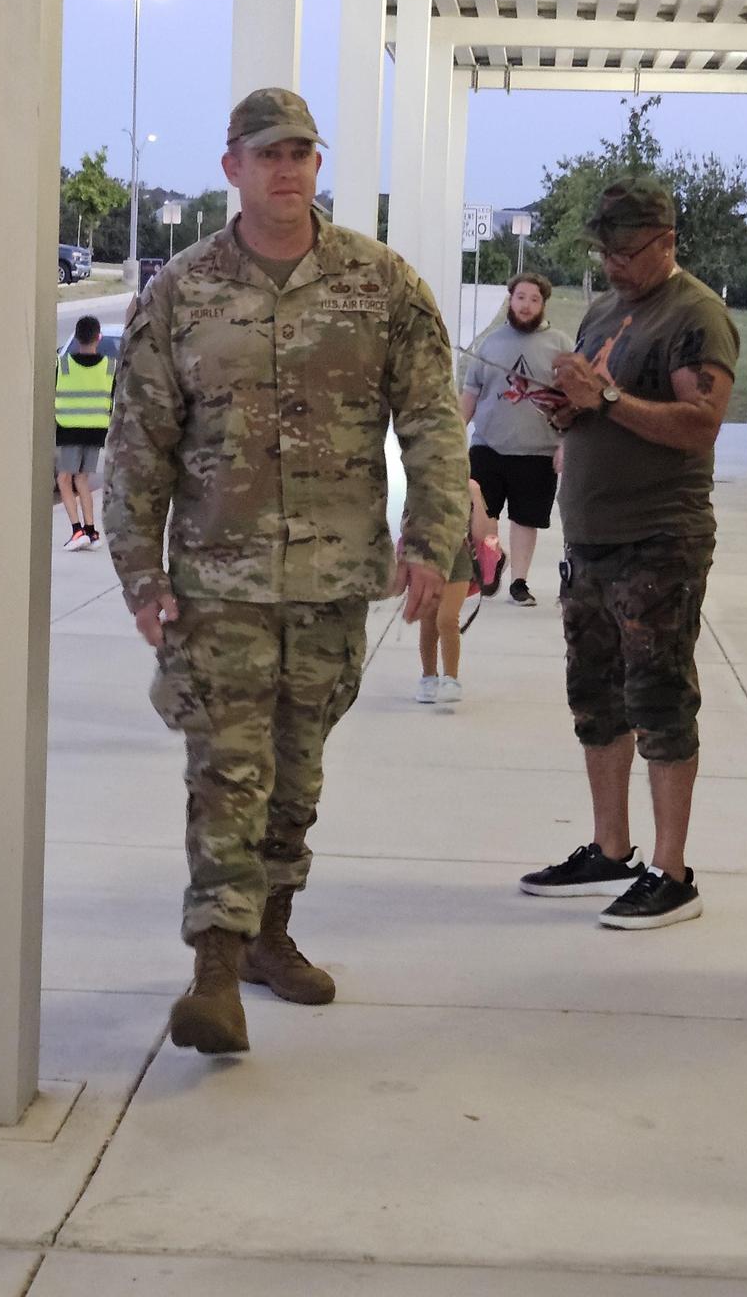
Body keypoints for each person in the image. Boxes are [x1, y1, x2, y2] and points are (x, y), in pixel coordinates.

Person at [104, 88, 469, 1055]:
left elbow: (432, 418)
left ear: (318, 164)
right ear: (232, 167)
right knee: (227, 770)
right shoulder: (179, 294)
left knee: (297, 773)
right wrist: (140, 577)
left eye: (302, 152)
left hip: (332, 582)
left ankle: (270, 934)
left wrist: (433, 540)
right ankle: (214, 969)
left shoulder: (379, 283)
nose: (287, 169)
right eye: (267, 154)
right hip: (217, 583)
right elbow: (138, 446)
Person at [517, 179, 739, 929]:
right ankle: (611, 849)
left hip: (658, 539)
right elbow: (594, 399)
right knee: (597, 699)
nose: (612, 265)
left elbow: (700, 422)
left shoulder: (695, 315)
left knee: (660, 701)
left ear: (667, 241)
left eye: (627, 251)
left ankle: (671, 871)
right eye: (604, 250)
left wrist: (607, 400)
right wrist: (567, 405)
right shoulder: (609, 310)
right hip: (591, 538)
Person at [458, 272, 573, 606]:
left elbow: (573, 402)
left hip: (538, 451)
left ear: (543, 304)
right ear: (511, 299)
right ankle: (491, 567)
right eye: (520, 298)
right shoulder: (491, 342)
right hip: (488, 446)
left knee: (525, 519)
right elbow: (470, 395)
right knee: (482, 514)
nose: (526, 306)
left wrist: (566, 444)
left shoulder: (560, 345)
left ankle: (519, 582)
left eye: (533, 299)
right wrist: (452, 436)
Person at [415, 480, 500, 704]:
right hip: (427, 558)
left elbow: (481, 534)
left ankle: (451, 678)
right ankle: (428, 677)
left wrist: (475, 496)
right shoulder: (420, 481)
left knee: (447, 619)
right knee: (428, 620)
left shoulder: (467, 486)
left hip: (459, 560)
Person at [55, 314, 114, 550]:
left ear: (77, 337)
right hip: (96, 430)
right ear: (98, 337)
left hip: (70, 428)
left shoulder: (64, 365)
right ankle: (91, 532)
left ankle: (77, 530)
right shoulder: (110, 366)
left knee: (64, 479)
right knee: (82, 479)